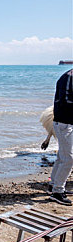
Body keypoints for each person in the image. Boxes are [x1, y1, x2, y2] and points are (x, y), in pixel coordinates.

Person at [48, 68, 73, 205]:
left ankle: (53, 185)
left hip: (65, 122)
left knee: (62, 156)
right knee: (69, 159)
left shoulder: (68, 76)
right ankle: (57, 192)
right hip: (65, 123)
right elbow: (66, 100)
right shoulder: (70, 77)